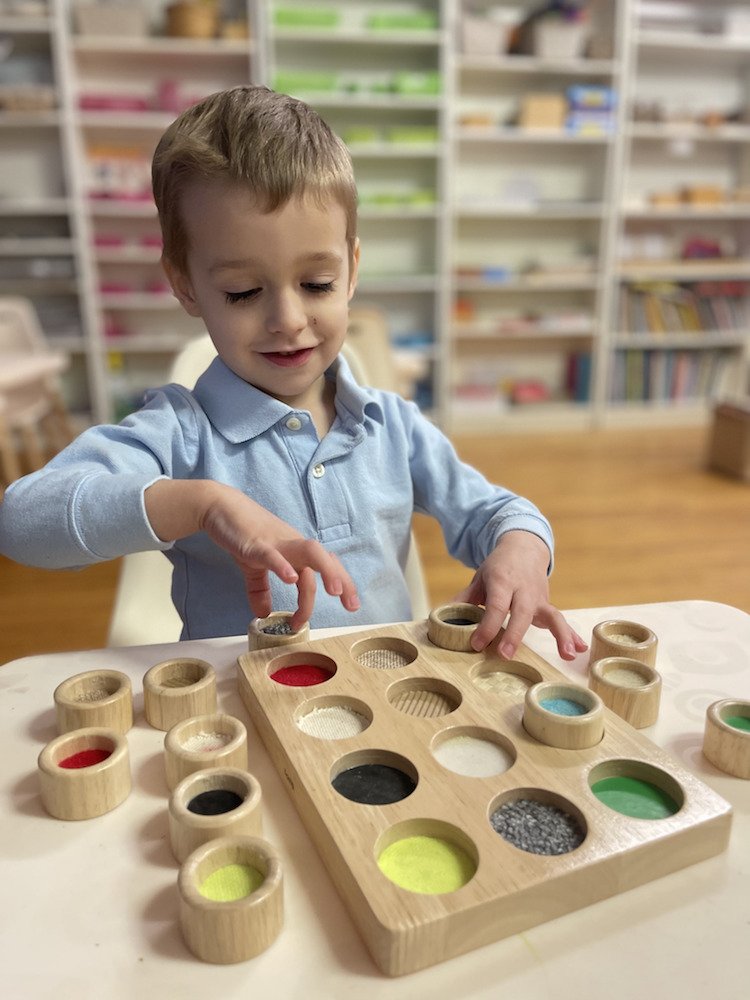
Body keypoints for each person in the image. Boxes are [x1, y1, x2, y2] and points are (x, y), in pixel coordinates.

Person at [0, 85, 587, 662]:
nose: (287, 319)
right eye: (243, 291)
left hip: (383, 696)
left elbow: (496, 511)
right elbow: (23, 520)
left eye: (317, 285)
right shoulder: (179, 434)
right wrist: (200, 503)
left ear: (352, 271)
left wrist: (522, 549)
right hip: (243, 713)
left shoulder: (391, 424)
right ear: (186, 285)